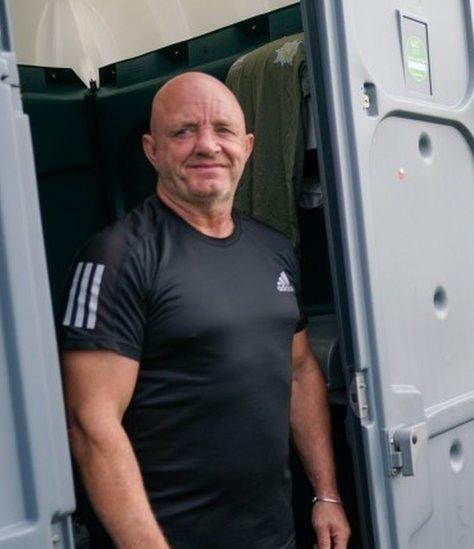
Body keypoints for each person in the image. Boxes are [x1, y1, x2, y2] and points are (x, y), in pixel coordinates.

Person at [59, 72, 350, 549]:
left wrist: (327, 495)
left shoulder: (273, 249)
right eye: (183, 131)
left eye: (223, 130)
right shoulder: (116, 257)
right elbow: (91, 425)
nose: (207, 145)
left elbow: (299, 372)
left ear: (249, 146)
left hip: (273, 534)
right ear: (152, 150)